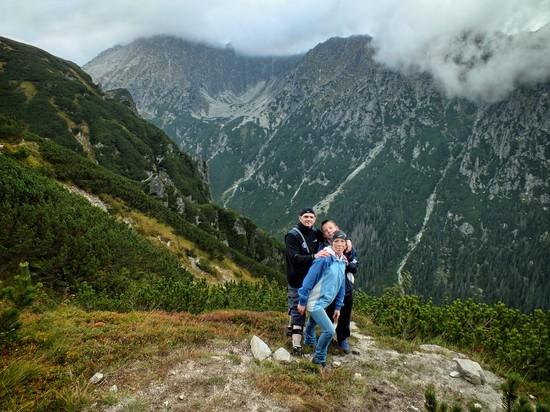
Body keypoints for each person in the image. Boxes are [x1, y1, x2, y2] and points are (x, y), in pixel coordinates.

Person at [297, 230, 348, 368]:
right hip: (314, 301)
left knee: (313, 322)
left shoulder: (342, 261)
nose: (339, 244)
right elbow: (309, 279)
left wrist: (338, 306)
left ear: (346, 245)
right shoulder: (324, 259)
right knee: (330, 331)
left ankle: (308, 339)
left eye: (342, 242)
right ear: (331, 242)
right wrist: (302, 301)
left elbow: (341, 284)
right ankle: (319, 358)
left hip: (325, 301)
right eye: (336, 241)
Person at [285, 207, 329, 356]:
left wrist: (346, 241)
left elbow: (332, 237)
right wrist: (314, 257)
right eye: (306, 217)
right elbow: (294, 258)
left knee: (296, 305)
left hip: (311, 278)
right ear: (300, 218)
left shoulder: (316, 232)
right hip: (297, 277)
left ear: (315, 219)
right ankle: (296, 344)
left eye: (311, 217)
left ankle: (291, 328)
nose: (309, 219)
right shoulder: (292, 235)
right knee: (299, 309)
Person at [320, 219, 359, 354]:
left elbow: (355, 265)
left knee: (345, 313)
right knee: (329, 312)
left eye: (330, 228)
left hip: (346, 287)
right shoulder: (322, 247)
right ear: (324, 236)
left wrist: (346, 264)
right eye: (325, 230)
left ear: (337, 227)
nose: (328, 231)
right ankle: (328, 337)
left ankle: (343, 338)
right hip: (330, 287)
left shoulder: (348, 247)